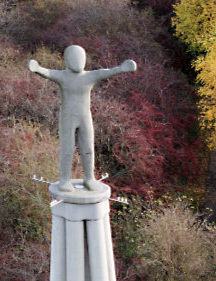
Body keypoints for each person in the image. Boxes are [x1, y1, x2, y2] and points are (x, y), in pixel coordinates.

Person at [29, 45, 137, 191]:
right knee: (67, 149)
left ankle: (89, 178)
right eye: (74, 57)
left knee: (88, 147)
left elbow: (105, 72)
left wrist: (121, 68)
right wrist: (37, 68)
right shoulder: (63, 76)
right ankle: (64, 180)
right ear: (67, 60)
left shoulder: (89, 76)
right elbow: (48, 72)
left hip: (85, 116)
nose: (78, 61)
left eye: (81, 58)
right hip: (68, 117)